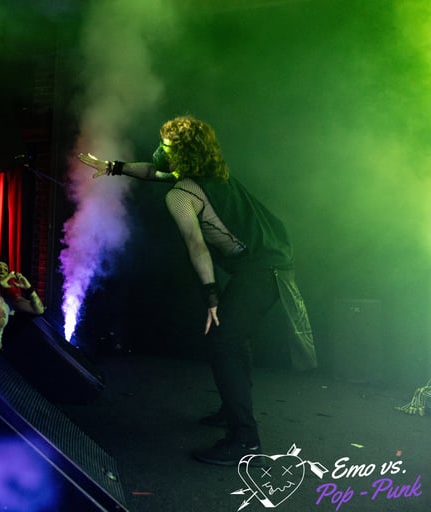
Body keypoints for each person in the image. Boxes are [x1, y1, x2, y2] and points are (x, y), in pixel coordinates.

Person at [79, 115, 316, 466]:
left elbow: (197, 246)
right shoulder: (210, 174)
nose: (160, 150)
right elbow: (152, 172)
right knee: (234, 339)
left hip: (263, 270)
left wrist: (211, 296)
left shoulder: (181, 194)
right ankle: (231, 410)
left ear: (184, 153)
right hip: (268, 262)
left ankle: (244, 439)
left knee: (224, 342)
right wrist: (115, 167)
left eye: (168, 146)